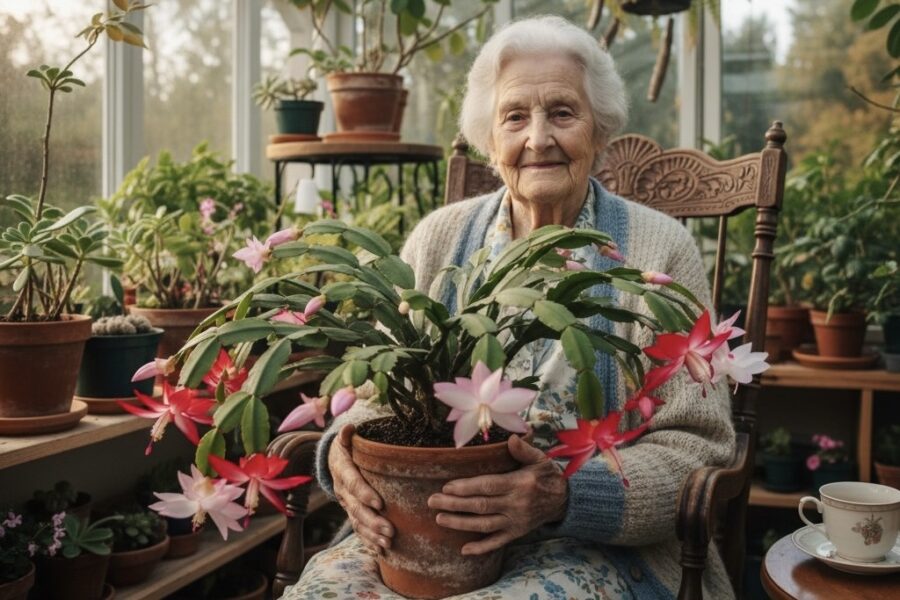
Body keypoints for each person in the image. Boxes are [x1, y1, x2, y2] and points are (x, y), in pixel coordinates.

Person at [284, 15, 736, 600]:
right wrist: (342, 455)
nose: (538, 138)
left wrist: (565, 497)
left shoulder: (659, 249)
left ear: (600, 130)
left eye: (563, 113)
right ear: (489, 140)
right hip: (419, 535)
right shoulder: (437, 240)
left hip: (598, 547)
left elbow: (700, 445)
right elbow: (374, 402)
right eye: (515, 116)